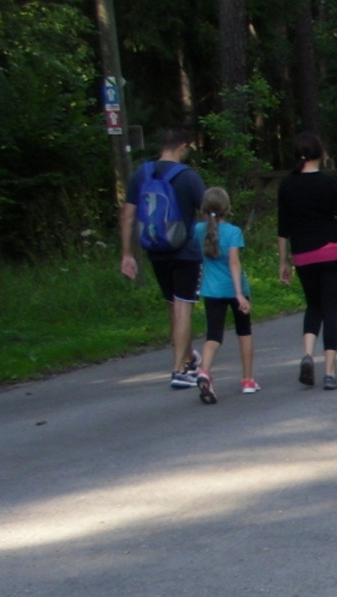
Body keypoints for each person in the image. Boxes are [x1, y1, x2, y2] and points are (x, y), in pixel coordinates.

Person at [275, 133, 337, 390]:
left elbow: (283, 228)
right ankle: (330, 372)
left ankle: (307, 354)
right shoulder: (330, 183)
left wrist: (283, 262)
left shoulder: (287, 185)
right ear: (320, 154)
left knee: (313, 306)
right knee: (330, 309)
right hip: (331, 253)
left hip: (303, 256)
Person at [118, 127, 208, 389]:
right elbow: (207, 213)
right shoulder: (188, 178)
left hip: (156, 250)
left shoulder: (141, 174)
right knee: (184, 306)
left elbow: (127, 215)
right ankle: (178, 369)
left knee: (173, 305)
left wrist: (127, 254)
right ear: (182, 146)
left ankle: (188, 358)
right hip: (185, 251)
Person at [192, 188, 257, 403]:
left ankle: (204, 371)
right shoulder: (233, 232)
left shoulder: (199, 230)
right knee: (244, 333)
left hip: (212, 291)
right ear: (227, 209)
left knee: (213, 337)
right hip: (235, 290)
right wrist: (239, 295)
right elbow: (234, 262)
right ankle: (247, 380)